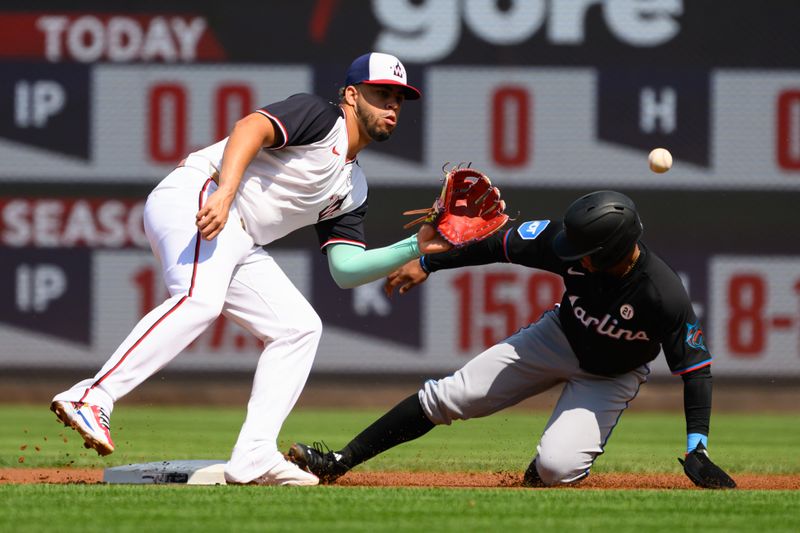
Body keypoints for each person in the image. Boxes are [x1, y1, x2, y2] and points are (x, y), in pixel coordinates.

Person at [50, 52, 451, 486]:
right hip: (199, 195)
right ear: (352, 95)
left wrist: (415, 245)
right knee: (200, 301)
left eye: (399, 98)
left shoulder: (354, 187)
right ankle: (92, 395)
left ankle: (254, 454)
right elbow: (251, 127)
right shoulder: (322, 117)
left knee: (299, 328)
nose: (391, 105)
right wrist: (224, 192)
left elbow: (346, 269)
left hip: (239, 238)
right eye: (381, 94)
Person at [288, 190, 723, 487]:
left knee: (557, 468)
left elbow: (696, 369)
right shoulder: (561, 241)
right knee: (449, 397)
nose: (570, 252)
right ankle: (340, 462)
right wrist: (428, 262)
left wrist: (697, 448)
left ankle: (540, 472)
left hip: (611, 375)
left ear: (612, 252)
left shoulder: (662, 294)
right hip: (557, 337)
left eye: (584, 251)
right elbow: (495, 245)